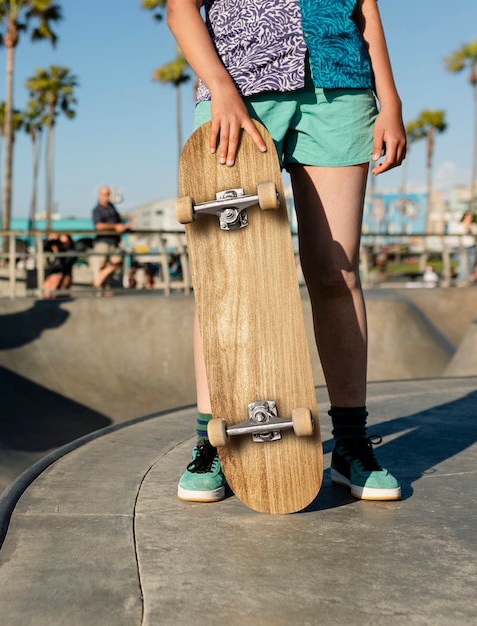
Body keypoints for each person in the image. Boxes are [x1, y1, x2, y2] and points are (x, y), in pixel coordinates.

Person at [167, 0, 406, 503]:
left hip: (340, 89)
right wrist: (223, 90)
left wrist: (390, 101)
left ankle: (352, 443)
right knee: (225, 275)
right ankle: (212, 438)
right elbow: (180, 8)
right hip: (241, 91)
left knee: (335, 271)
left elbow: (366, 11)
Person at [90, 186, 131, 294]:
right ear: (100, 195)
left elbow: (118, 221)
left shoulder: (112, 207)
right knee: (102, 264)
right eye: (105, 194)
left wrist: (124, 226)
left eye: (108, 194)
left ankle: (99, 281)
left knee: (117, 262)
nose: (107, 196)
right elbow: (98, 225)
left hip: (114, 241)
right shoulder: (97, 209)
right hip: (103, 241)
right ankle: (101, 288)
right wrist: (115, 227)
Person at [42, 233, 77, 298]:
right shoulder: (57, 249)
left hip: (65, 275)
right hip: (53, 275)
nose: (63, 245)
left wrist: (57, 252)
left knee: (56, 281)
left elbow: (64, 264)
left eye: (65, 242)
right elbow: (43, 248)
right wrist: (48, 240)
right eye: (61, 242)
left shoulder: (72, 252)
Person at [457, 210, 477, 284]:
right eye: (468, 217)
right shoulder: (460, 225)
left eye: (470, 217)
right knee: (463, 263)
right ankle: (461, 280)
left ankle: (468, 278)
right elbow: (460, 234)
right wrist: (466, 228)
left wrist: (470, 228)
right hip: (464, 246)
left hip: (472, 246)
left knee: (471, 263)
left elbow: (476, 234)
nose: (469, 218)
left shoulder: (474, 225)